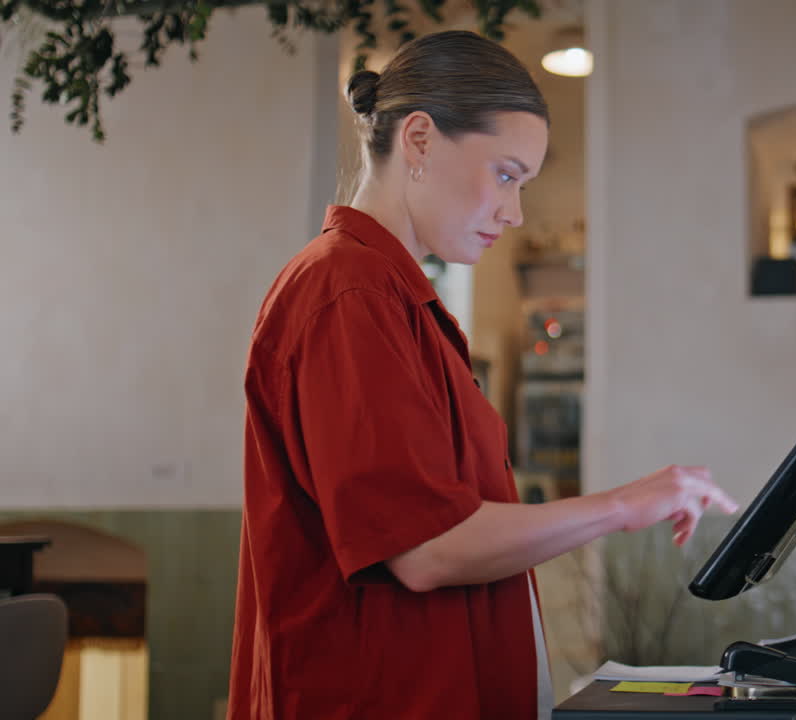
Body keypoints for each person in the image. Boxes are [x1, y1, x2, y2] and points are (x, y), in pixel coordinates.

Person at [226, 31, 738, 720]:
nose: (514, 211)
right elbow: (427, 549)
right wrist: (620, 507)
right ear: (420, 141)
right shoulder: (346, 294)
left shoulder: (397, 298)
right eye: (505, 174)